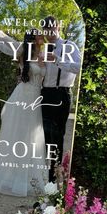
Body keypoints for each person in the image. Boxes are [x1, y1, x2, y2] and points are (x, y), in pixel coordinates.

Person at [0, 18, 49, 197]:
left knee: (32, 134)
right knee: (17, 133)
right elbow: (5, 40)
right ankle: (10, 174)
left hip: (36, 97)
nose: (42, 38)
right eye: (40, 36)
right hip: (22, 94)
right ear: (33, 39)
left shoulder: (43, 56)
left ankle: (29, 175)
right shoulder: (22, 51)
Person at [41, 16, 81, 182]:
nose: (49, 32)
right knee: (44, 135)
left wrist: (57, 60)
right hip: (44, 94)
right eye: (46, 29)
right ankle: (46, 173)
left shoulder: (69, 46)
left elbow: (78, 67)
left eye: (51, 28)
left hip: (62, 94)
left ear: (58, 27)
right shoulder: (42, 48)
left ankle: (54, 176)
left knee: (58, 135)